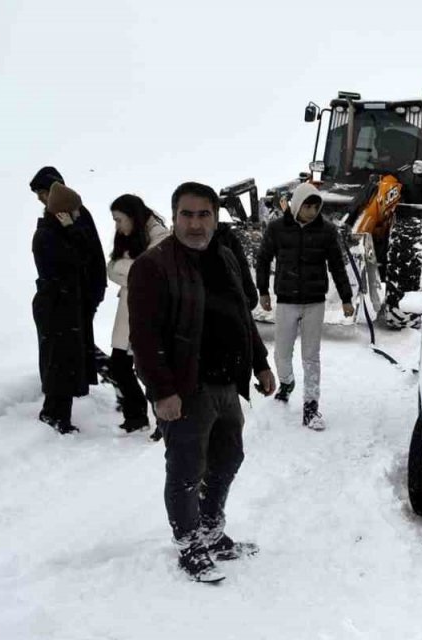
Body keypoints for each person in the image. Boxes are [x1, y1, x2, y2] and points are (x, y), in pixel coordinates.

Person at [128, 181, 277, 583]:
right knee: (186, 471)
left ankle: (212, 530)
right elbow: (143, 337)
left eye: (203, 214)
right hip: (186, 390)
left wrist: (261, 364)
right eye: (186, 215)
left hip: (227, 385)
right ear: (173, 217)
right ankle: (190, 544)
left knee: (229, 459)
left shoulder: (225, 256)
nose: (195, 224)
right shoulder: (153, 265)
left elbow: (241, 316)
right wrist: (162, 392)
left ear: (215, 216)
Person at [255, 182, 354, 430]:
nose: (312, 212)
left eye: (316, 207)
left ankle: (311, 406)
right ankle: (286, 382)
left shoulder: (327, 231)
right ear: (297, 205)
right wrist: (263, 292)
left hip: (314, 302)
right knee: (281, 354)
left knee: (311, 357)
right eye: (308, 206)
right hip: (286, 300)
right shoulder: (277, 229)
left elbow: (337, 266)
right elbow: (263, 259)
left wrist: (346, 298)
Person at [29, 167, 112, 390]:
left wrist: (92, 291)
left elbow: (87, 254)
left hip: (82, 291)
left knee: (78, 341)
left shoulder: (74, 213)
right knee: (77, 342)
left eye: (43, 193)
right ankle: (111, 375)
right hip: (72, 293)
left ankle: (114, 374)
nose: (40, 199)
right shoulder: (58, 217)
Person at [31, 181, 101, 433]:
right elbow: (78, 259)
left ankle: (60, 414)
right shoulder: (48, 236)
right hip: (54, 308)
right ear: (61, 212)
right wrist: (72, 231)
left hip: (63, 306)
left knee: (66, 362)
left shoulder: (56, 232)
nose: (78, 215)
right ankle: (53, 414)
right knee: (58, 363)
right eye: (74, 211)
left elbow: (85, 257)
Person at [106, 194, 170, 433]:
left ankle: (162, 421)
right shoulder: (130, 237)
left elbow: (149, 273)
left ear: (133, 216)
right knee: (119, 365)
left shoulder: (160, 236)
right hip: (127, 311)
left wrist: (131, 272)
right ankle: (135, 417)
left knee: (150, 368)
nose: (117, 226)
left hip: (150, 314)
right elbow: (111, 269)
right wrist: (133, 273)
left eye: (119, 220)